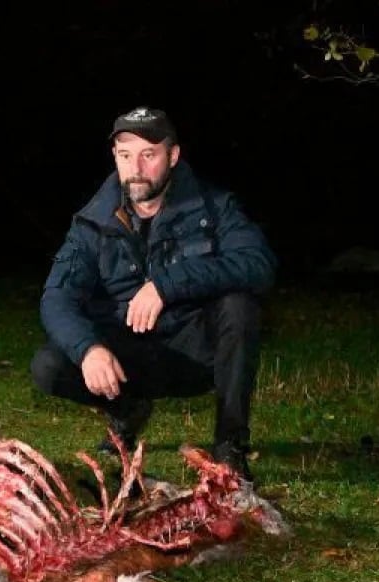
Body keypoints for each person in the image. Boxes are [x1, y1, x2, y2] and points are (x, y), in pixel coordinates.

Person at [30, 106, 277, 480]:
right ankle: (127, 409)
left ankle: (229, 446)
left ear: (173, 156)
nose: (137, 167)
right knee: (49, 365)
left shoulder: (213, 206)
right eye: (125, 155)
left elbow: (258, 263)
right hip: (129, 357)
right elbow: (57, 297)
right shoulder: (92, 221)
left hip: (196, 353)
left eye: (149, 154)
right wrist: (89, 350)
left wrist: (167, 284)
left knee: (240, 308)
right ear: (115, 157)